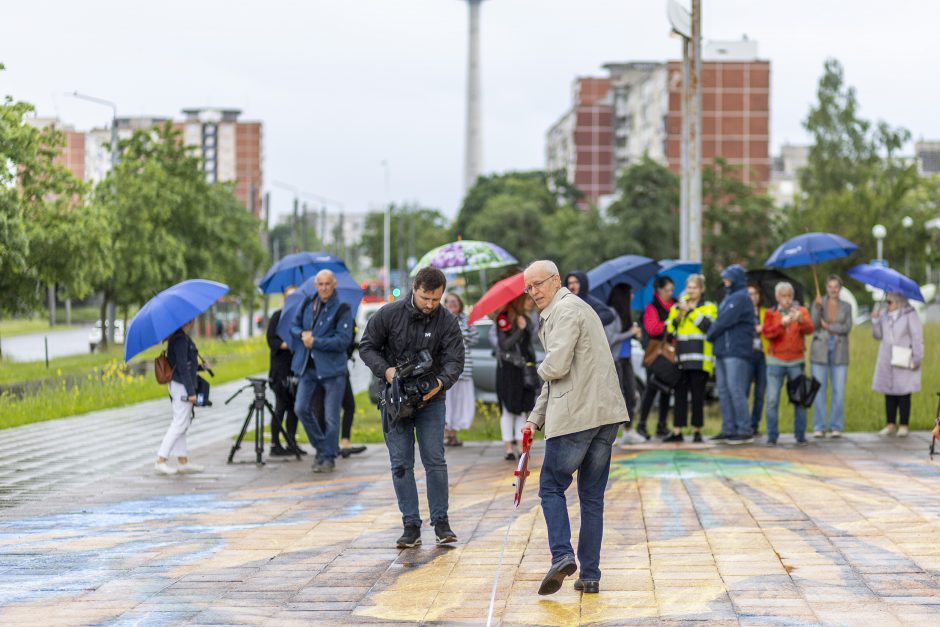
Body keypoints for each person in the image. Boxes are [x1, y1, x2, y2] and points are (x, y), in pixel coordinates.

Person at [522, 260, 629, 596]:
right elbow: (559, 377)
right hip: (604, 414)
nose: (533, 292)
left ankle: (562, 555)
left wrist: (533, 368)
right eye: (529, 287)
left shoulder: (566, 311)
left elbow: (556, 366)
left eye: (538, 284)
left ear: (556, 281)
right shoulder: (572, 309)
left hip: (576, 415)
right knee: (592, 498)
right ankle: (591, 576)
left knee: (551, 487)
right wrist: (534, 418)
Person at [358, 267, 465, 548]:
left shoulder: (447, 320)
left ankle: (441, 522)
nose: (430, 305)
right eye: (425, 298)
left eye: (435, 300)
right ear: (414, 288)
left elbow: (456, 359)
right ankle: (410, 525)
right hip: (395, 398)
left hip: (432, 398)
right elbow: (366, 346)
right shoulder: (388, 314)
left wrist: (440, 383)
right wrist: (389, 372)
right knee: (401, 463)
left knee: (435, 460)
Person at [290, 270, 354, 473]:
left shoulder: (343, 309)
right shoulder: (309, 302)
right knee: (300, 408)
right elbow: (294, 325)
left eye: (327, 284)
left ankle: (327, 458)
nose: (324, 287)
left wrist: (316, 342)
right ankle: (324, 448)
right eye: (320, 284)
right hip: (308, 367)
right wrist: (301, 334)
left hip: (333, 370)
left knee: (331, 417)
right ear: (315, 285)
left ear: (334, 285)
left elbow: (343, 341)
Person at [706, 265, 757, 444]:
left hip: (736, 351)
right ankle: (728, 429)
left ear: (736, 278)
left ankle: (744, 430)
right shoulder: (729, 296)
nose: (725, 280)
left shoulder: (741, 297)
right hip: (722, 351)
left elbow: (724, 320)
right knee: (724, 391)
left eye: (728, 277)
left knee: (736, 390)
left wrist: (710, 333)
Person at [663, 274, 717, 443]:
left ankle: (697, 431)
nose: (691, 290)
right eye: (689, 287)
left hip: (700, 360)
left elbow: (709, 328)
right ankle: (677, 431)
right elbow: (670, 331)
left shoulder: (708, 307)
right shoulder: (677, 307)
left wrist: (691, 312)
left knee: (697, 397)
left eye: (694, 287)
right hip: (681, 359)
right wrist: (679, 315)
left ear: (701, 289)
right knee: (679, 396)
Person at [762, 282, 814, 446]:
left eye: (789, 296)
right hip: (775, 362)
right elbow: (767, 333)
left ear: (793, 297)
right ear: (777, 297)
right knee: (772, 400)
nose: (786, 299)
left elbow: (810, 329)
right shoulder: (771, 313)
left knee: (800, 400)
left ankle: (800, 435)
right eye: (783, 296)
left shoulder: (801, 311)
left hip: (796, 361)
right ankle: (772, 435)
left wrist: (801, 321)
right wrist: (781, 324)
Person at [155, 319, 206, 475]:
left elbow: (185, 364)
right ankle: (161, 459)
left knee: (183, 423)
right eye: (192, 318)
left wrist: (200, 367)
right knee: (179, 423)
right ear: (187, 321)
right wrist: (191, 393)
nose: (195, 320)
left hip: (179, 384)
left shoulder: (180, 337)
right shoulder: (180, 339)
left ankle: (182, 461)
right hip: (181, 386)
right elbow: (183, 367)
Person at [872, 292, 923, 437]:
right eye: (886, 301)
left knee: (904, 393)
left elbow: (917, 336)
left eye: (890, 302)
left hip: (904, 358)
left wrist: (917, 358)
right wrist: (875, 320)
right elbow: (877, 335)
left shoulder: (909, 314)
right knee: (889, 392)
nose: (887, 305)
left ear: (899, 302)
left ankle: (904, 425)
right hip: (887, 358)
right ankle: (890, 424)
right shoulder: (883, 315)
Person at [810, 275, 853, 438]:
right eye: (830, 286)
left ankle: (836, 425)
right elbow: (813, 324)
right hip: (820, 349)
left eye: (836, 286)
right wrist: (816, 308)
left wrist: (830, 327)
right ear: (826, 287)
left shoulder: (847, 306)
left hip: (839, 350)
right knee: (819, 390)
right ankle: (819, 426)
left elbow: (847, 327)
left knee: (839, 390)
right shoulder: (818, 302)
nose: (833, 289)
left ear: (840, 288)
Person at [494, 296, 537, 460]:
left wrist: (526, 324)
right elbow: (504, 345)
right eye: (527, 301)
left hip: (523, 369)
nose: (530, 303)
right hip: (508, 369)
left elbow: (530, 342)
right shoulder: (503, 318)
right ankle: (508, 448)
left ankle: (521, 447)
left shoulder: (526, 318)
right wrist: (520, 329)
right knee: (508, 409)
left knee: (522, 409)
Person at [636, 276, 676, 439]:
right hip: (655, 355)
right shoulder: (651, 308)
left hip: (670, 353)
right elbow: (652, 329)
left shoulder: (675, 304)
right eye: (667, 290)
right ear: (659, 290)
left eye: (672, 290)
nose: (670, 293)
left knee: (667, 388)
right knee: (651, 389)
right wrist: (669, 323)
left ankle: (662, 425)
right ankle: (642, 424)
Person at [267, 287, 304, 457]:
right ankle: (275, 443)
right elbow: (271, 340)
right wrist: (287, 344)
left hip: (295, 369)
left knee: (294, 407)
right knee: (280, 405)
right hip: (280, 371)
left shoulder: (300, 319)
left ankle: (291, 441)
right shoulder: (277, 316)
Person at [606, 284, 644, 446]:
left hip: (626, 358)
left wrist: (635, 333)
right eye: (630, 292)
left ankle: (629, 431)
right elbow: (610, 338)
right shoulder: (612, 314)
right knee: (616, 397)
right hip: (616, 360)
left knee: (631, 395)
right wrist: (630, 333)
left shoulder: (624, 314)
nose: (633, 296)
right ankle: (610, 433)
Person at [443, 292, 478, 447]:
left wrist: (462, 335)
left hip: (465, 368)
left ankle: (454, 434)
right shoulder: (442, 319)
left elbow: (475, 337)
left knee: (460, 403)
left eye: (454, 302)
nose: (452, 305)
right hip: (447, 367)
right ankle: (446, 433)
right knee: (447, 402)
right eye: (449, 302)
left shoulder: (466, 319)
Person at [746, 283, 769, 436]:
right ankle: (744, 423)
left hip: (762, 354)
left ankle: (754, 424)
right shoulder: (742, 313)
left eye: (755, 294)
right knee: (744, 391)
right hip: (747, 355)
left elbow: (773, 330)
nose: (752, 297)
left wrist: (763, 329)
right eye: (749, 294)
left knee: (760, 392)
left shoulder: (766, 313)